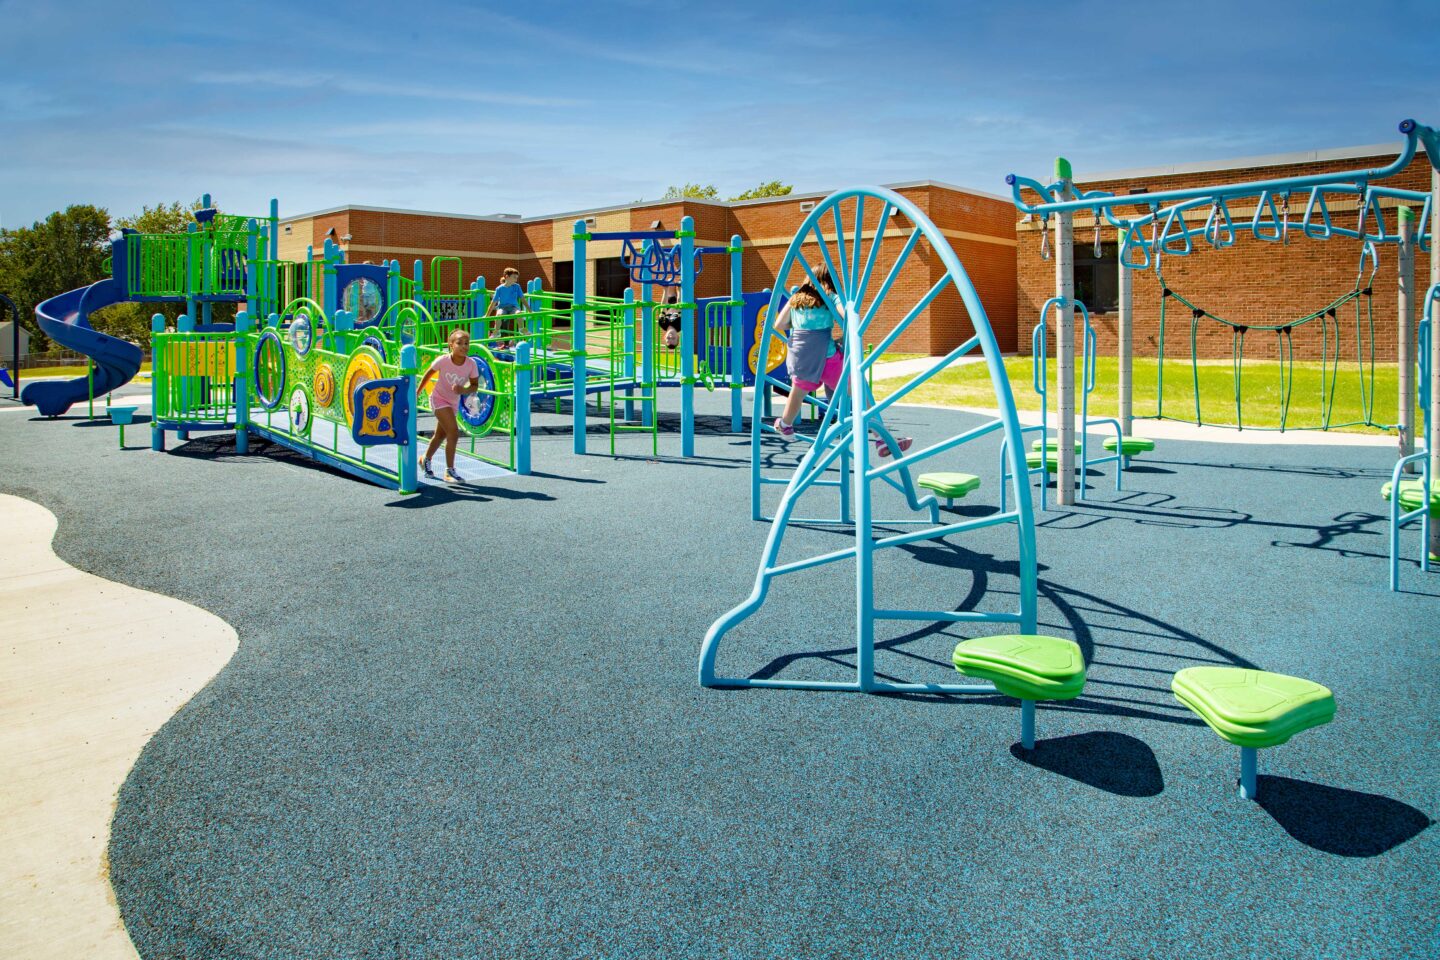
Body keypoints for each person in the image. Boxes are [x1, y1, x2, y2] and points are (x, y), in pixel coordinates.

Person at [771, 265, 911, 458]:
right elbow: (846, 316)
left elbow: (778, 324)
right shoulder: (830, 296)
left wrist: (799, 324)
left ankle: (785, 424)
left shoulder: (796, 298)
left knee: (798, 391)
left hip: (801, 358)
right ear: (830, 280)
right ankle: (881, 438)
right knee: (860, 393)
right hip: (825, 357)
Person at [417, 328, 480, 483]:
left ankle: (425, 459)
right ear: (451, 344)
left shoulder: (471, 364)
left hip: (453, 402)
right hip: (438, 399)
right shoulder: (443, 360)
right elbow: (428, 374)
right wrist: (417, 392)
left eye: (467, 343)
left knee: (440, 435)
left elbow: (474, 386)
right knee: (453, 432)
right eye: (460, 343)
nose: (464, 346)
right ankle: (449, 471)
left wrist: (463, 389)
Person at [486, 268, 525, 349]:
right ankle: (498, 335)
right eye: (514, 277)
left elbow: (522, 299)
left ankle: (506, 342)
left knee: (505, 325)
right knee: (501, 321)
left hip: (511, 308)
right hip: (502, 309)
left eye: (516, 278)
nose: (516, 280)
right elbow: (494, 302)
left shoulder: (515, 287)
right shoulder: (500, 289)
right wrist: (487, 314)